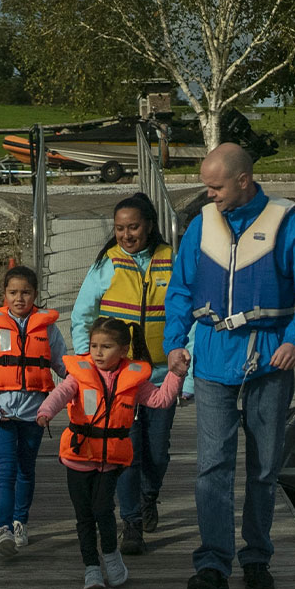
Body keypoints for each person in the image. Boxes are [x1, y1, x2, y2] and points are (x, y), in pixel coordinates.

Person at [164, 143, 295, 589]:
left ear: (243, 180)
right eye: (206, 186)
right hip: (214, 357)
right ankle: (213, 563)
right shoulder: (201, 226)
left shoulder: (288, 221)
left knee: (263, 466)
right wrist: (174, 344)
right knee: (212, 466)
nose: (208, 194)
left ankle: (256, 557)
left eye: (215, 186)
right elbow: (179, 290)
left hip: (270, 358)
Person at [70, 192, 192, 558]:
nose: (126, 234)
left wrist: (189, 371)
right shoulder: (106, 263)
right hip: (119, 378)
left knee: (158, 450)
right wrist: (88, 362)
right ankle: (132, 523)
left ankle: (150, 494)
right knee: (128, 451)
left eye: (133, 226)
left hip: (160, 375)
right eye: (120, 228)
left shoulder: (174, 259)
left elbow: (195, 317)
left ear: (150, 225)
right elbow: (82, 315)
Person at [36, 316, 188, 589]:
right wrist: (46, 411)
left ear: (123, 350)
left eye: (106, 347)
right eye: (94, 346)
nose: (98, 352)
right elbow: (61, 393)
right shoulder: (79, 376)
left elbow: (161, 400)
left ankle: (111, 557)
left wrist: (176, 374)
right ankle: (91, 567)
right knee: (84, 515)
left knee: (102, 509)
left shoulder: (133, 380)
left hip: (109, 460)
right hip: (78, 456)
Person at [0, 265, 67, 557]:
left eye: (25, 292)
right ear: (4, 295)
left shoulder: (48, 328)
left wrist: (88, 388)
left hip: (34, 416)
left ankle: (20, 522)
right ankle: (3, 529)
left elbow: (66, 368)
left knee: (26, 470)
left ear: (35, 294)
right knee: (6, 471)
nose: (19, 298)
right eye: (13, 292)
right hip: (1, 416)